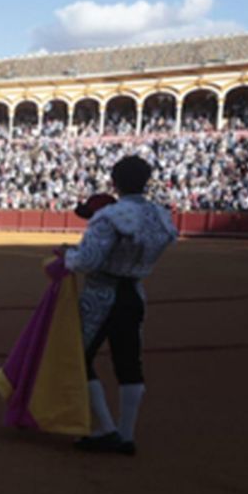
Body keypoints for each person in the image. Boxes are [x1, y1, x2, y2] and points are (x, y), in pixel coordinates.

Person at [62, 156, 178, 455]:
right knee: (129, 363)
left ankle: (106, 429)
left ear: (115, 182)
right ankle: (126, 435)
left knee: (79, 356)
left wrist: (67, 257)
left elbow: (88, 261)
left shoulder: (110, 215)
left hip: (102, 294)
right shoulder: (161, 216)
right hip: (135, 294)